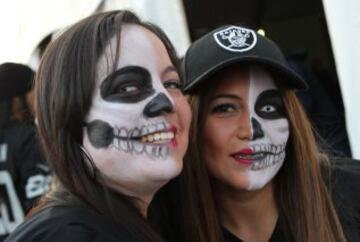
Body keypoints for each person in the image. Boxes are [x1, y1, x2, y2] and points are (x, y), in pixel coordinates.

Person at [151, 25, 360, 242]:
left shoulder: (352, 191)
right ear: (191, 120)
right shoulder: (159, 227)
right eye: (225, 108)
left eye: (269, 108)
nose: (251, 131)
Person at [5, 10, 191, 242]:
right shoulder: (69, 236)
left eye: (172, 83)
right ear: (67, 115)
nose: (167, 102)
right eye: (127, 87)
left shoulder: (131, 223)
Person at [0, 63, 51, 241]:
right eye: (35, 90)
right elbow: (43, 205)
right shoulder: (28, 137)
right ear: (17, 100)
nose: (39, 97)